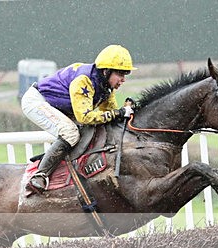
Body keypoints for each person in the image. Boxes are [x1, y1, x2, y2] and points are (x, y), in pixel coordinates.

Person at [21, 44, 136, 194]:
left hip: (57, 106)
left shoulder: (106, 86)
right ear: (106, 71)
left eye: (125, 75)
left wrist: (126, 111)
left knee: (91, 130)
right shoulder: (84, 80)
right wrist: (118, 113)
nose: (123, 80)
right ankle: (40, 175)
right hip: (37, 101)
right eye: (120, 74)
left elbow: (110, 114)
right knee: (70, 133)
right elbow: (85, 117)